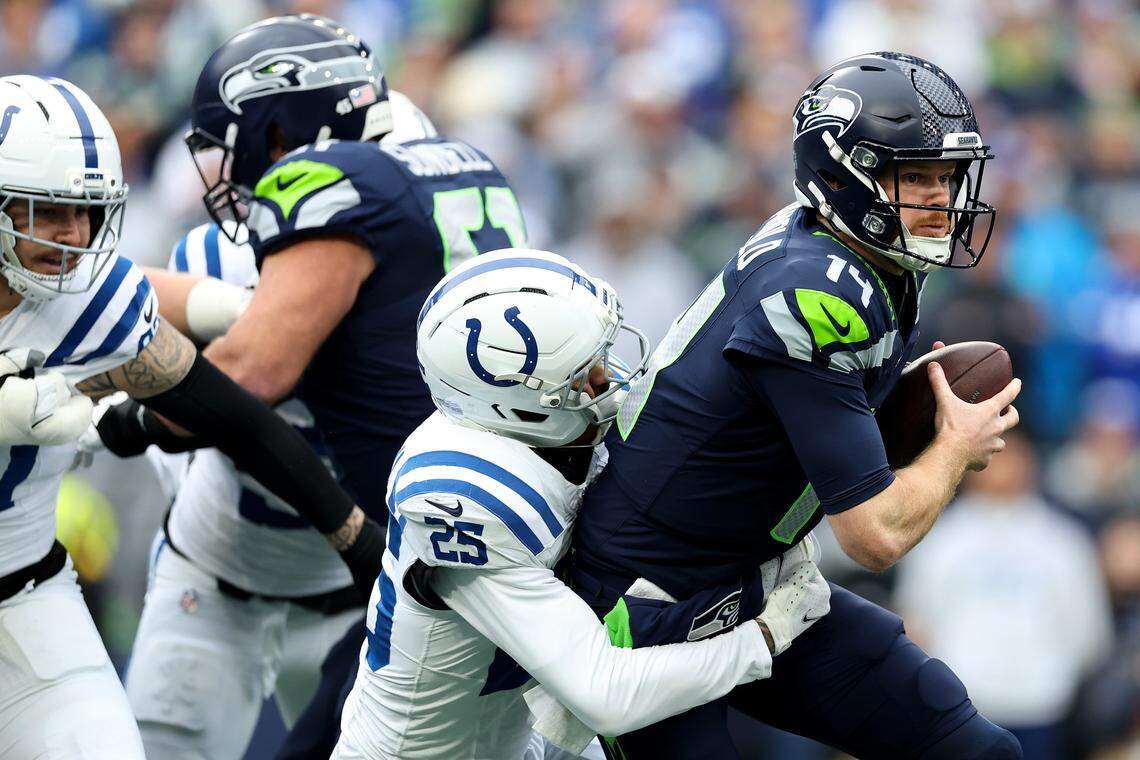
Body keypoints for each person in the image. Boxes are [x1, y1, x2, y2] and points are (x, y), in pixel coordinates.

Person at [567, 51, 1024, 758]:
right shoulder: (815, 293)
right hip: (650, 605)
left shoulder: (862, 252)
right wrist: (953, 448)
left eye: (946, 175)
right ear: (842, 175)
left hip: (753, 578)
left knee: (971, 747)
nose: (941, 197)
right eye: (914, 176)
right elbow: (874, 537)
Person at [119, 13, 528, 758]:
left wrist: (131, 421)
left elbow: (248, 373)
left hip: (365, 578)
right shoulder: (450, 190)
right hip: (238, 565)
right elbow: (143, 306)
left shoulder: (331, 207)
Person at [0, 75, 383, 759]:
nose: (74, 236)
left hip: (28, 596)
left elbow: (237, 419)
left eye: (87, 212)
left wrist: (354, 537)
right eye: (49, 211)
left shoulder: (91, 303)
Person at [332, 248, 832, 760]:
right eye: (583, 372)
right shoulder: (465, 496)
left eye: (600, 354)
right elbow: (605, 694)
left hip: (523, 737)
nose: (607, 378)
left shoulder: (546, 430)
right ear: (519, 405)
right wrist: (763, 637)